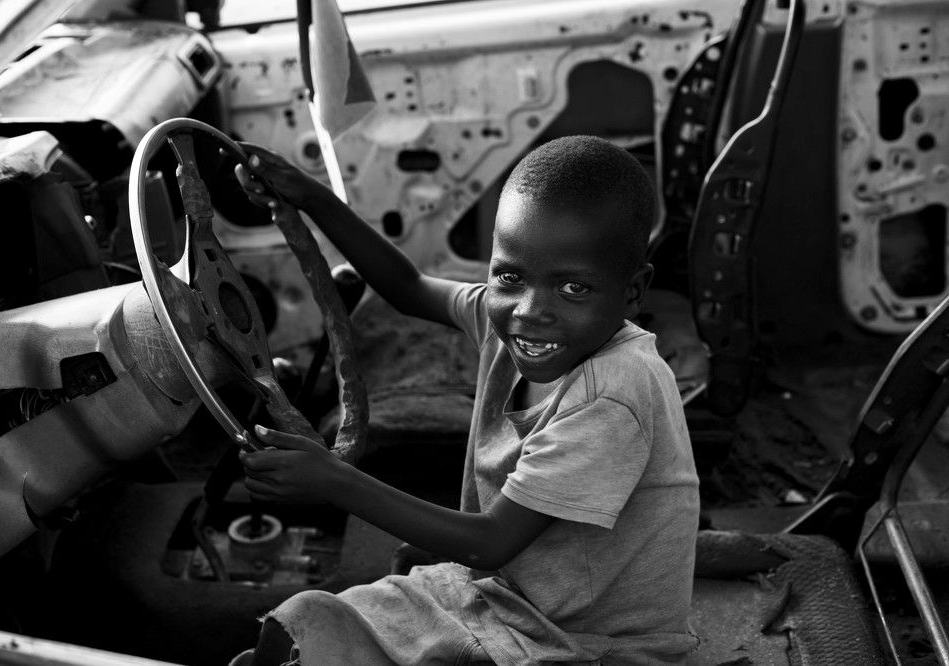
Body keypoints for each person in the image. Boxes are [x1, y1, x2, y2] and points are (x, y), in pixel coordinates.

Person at [231, 135, 700, 665]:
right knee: (301, 624)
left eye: (574, 289)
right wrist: (309, 197)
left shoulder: (614, 393)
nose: (529, 310)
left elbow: (490, 542)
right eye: (510, 276)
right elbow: (407, 285)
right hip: (508, 594)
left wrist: (331, 479)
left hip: (589, 642)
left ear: (633, 291)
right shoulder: (508, 325)